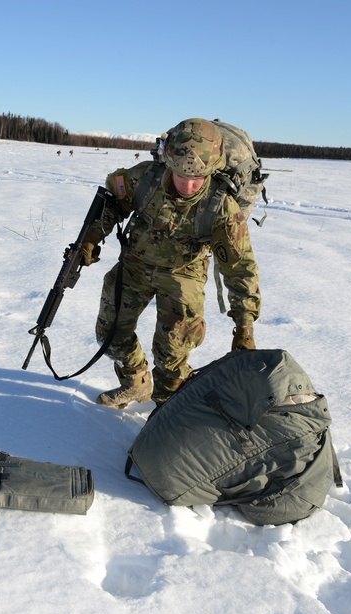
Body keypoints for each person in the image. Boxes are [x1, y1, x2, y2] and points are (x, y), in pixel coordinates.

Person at [80, 118, 261, 409]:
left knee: (171, 356)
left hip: (183, 274)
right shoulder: (147, 179)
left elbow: (240, 268)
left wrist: (244, 326)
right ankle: (136, 384)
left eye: (198, 179)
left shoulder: (222, 208)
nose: (188, 185)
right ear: (169, 163)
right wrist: (92, 235)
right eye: (181, 176)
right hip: (136, 264)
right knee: (110, 333)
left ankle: (169, 412)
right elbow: (114, 200)